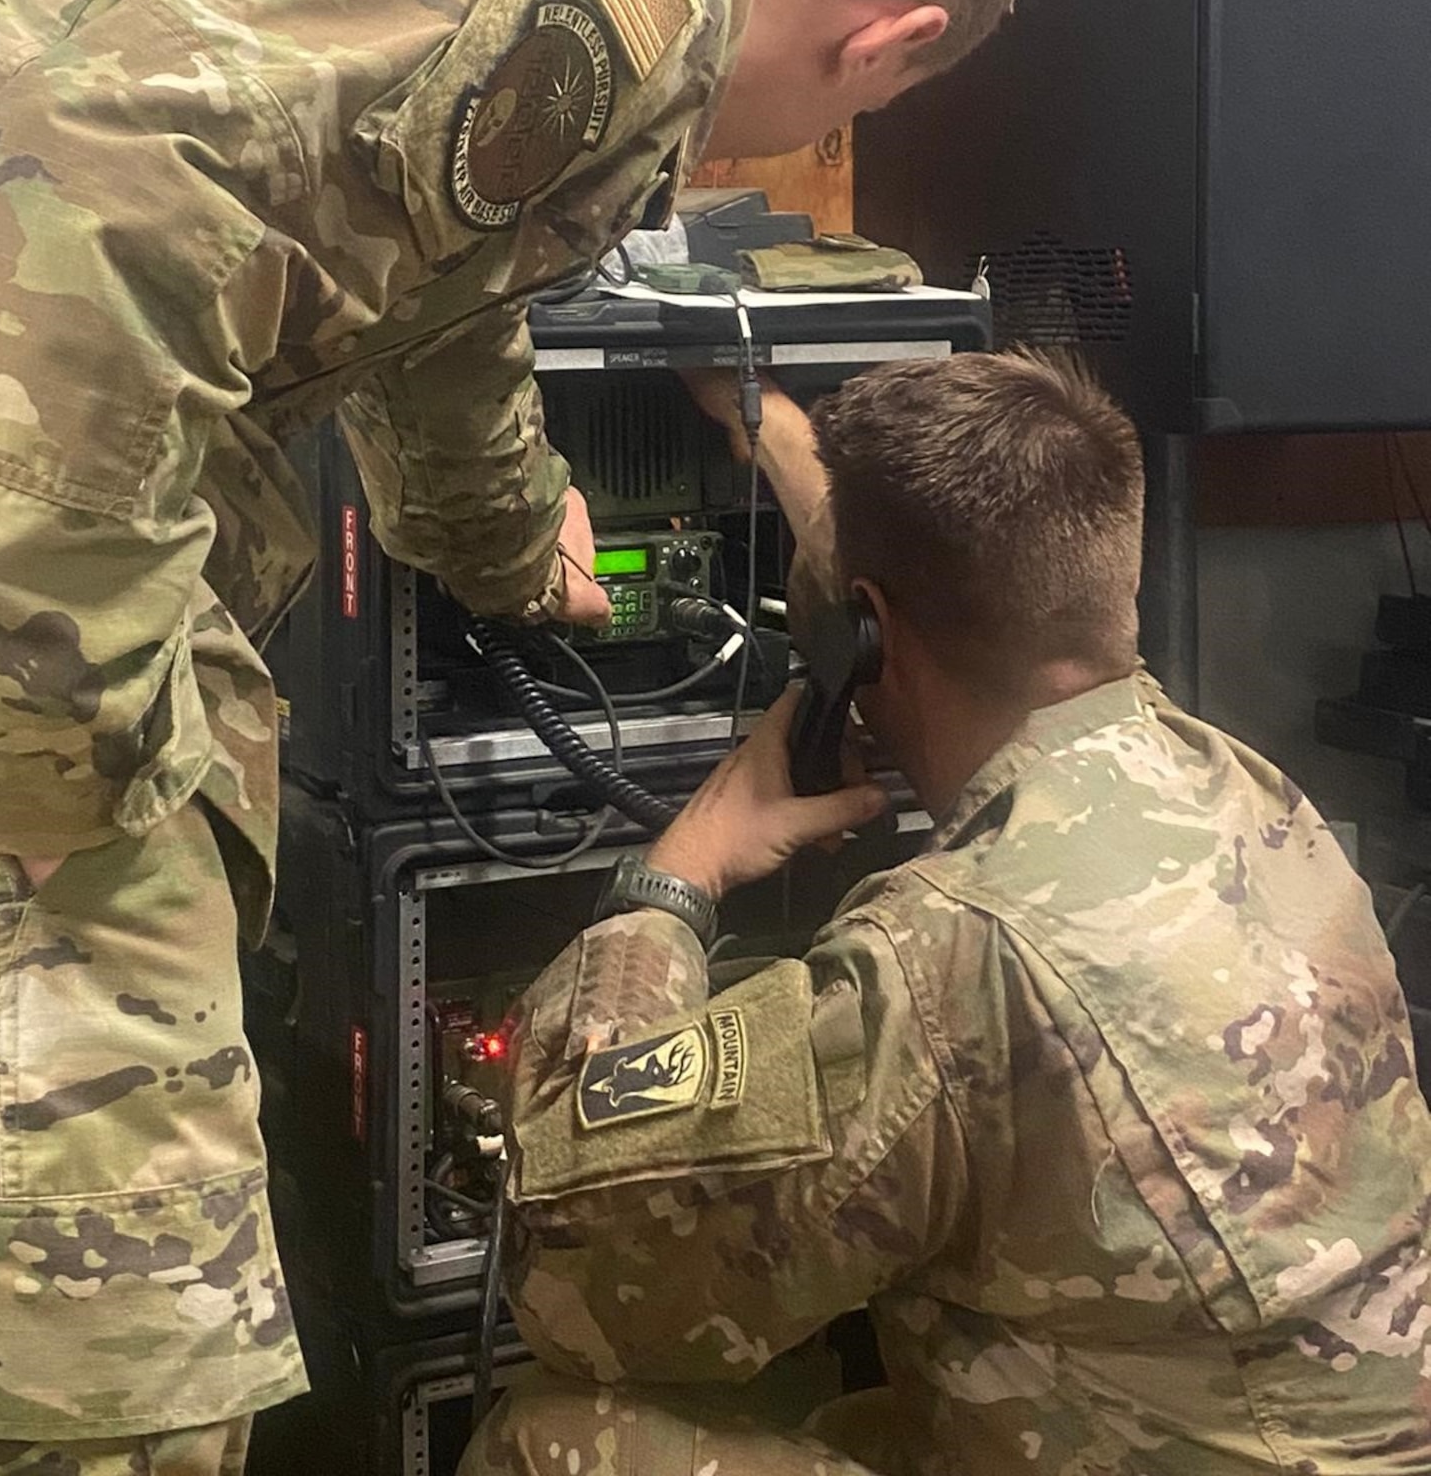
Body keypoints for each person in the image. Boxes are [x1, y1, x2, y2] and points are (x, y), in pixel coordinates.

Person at [0, 0, 1042, 1468]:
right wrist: (78, 713)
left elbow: (424, 280)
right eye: (868, 107)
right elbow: (91, 178)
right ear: (887, 39)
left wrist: (519, 544)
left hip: (15, 504)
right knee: (107, 1340)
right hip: (5, 580)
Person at [465, 351, 1431, 1476]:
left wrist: (676, 876)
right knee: (861, 1418)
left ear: (860, 638)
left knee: (550, 1436)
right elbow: (938, 551)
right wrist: (765, 420)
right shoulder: (1258, 801)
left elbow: (578, 1273)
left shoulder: (950, 955)